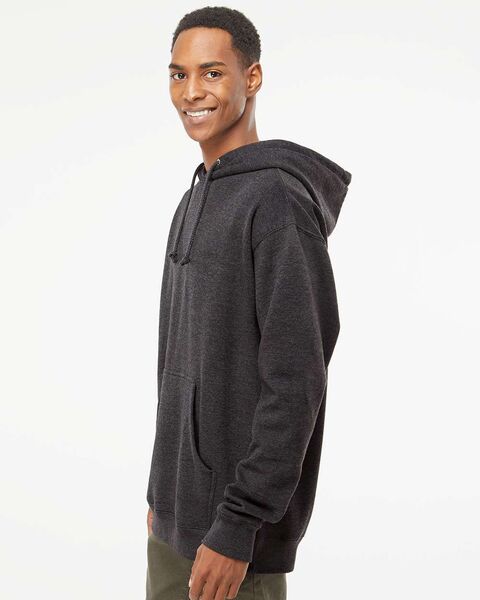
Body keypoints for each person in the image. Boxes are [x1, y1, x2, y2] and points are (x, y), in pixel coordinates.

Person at [145, 6, 352, 600]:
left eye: (211, 73)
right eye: (179, 75)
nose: (191, 92)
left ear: (252, 77)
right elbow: (178, 365)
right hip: (174, 523)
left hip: (234, 543)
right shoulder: (194, 200)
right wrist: (162, 493)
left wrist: (239, 524)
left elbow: (296, 382)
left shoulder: (278, 204)